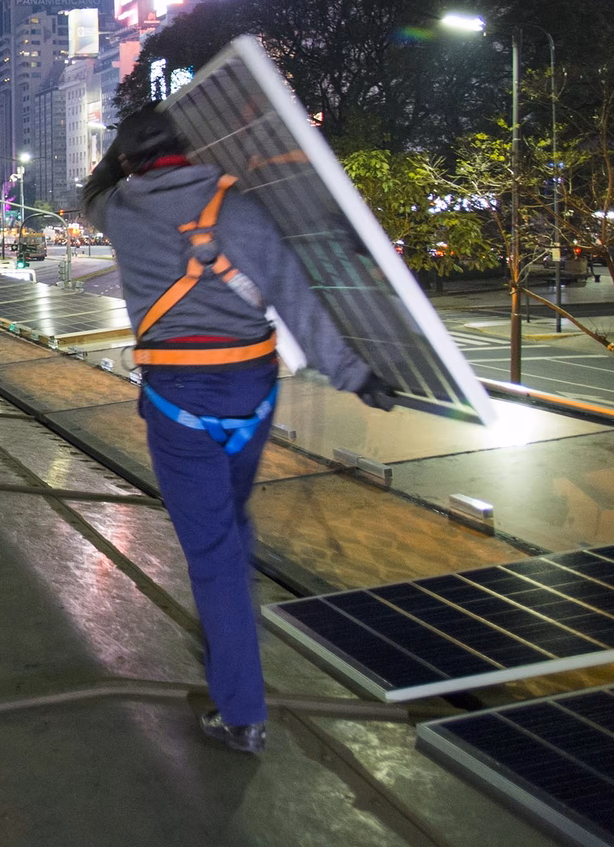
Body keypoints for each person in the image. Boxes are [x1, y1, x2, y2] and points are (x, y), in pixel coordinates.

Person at [82, 104, 393, 755]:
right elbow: (296, 295)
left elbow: (90, 193)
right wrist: (354, 374)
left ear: (129, 163)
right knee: (232, 524)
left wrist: (117, 160)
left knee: (214, 553)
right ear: (189, 149)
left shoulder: (120, 211)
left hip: (177, 402)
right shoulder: (243, 207)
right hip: (253, 391)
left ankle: (241, 712)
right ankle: (229, 635)